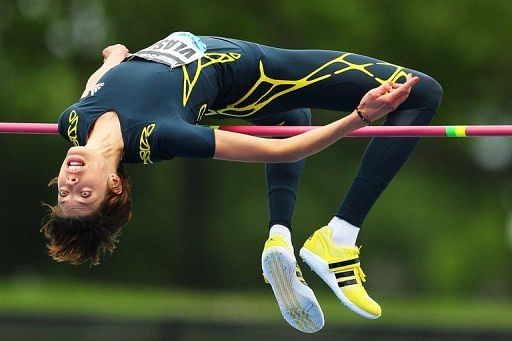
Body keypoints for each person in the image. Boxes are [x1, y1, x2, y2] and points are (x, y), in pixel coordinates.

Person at [41, 32, 442, 333]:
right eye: (84, 194)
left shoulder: (72, 122)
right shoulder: (159, 135)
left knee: (293, 116)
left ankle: (280, 237)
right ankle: (340, 236)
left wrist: (113, 58)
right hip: (254, 74)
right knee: (421, 92)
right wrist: (360, 116)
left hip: (231, 80)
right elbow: (283, 152)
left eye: (65, 190)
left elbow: (98, 84)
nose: (72, 180)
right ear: (114, 184)